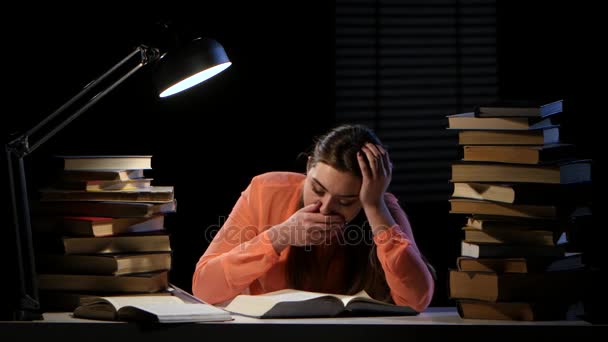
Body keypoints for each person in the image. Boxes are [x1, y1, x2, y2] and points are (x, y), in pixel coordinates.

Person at [192, 124, 435, 311]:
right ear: (309, 167)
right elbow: (204, 288)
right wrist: (280, 235)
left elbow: (416, 301)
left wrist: (374, 207)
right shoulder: (265, 190)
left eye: (346, 201)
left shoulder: (381, 208)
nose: (326, 208)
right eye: (318, 189)